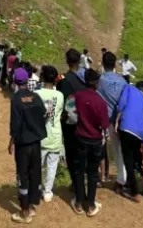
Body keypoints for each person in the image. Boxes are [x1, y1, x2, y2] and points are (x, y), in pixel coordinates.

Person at [8, 66, 47, 223]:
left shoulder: (16, 99)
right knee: (34, 173)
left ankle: (24, 212)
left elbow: (15, 124)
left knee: (22, 175)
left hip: (23, 144)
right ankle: (31, 206)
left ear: (16, 81)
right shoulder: (36, 97)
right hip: (36, 142)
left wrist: (11, 141)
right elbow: (44, 114)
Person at [72, 68, 110, 216]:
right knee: (93, 173)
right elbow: (105, 125)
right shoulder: (100, 102)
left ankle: (79, 202)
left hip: (80, 137)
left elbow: (70, 115)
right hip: (95, 140)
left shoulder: (77, 96)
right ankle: (91, 205)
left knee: (80, 170)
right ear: (96, 83)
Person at [116, 81, 143, 202]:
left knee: (128, 160)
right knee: (138, 159)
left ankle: (134, 191)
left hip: (127, 127)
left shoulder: (128, 88)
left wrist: (117, 121)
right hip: (140, 133)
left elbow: (121, 105)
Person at [58, 48, 87, 195]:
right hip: (84, 123)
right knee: (81, 156)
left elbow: (59, 100)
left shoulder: (63, 79)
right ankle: (80, 183)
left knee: (71, 155)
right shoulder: (84, 80)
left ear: (67, 61)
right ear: (79, 61)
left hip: (68, 124)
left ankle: (76, 185)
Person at [98, 50, 128, 192]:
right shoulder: (122, 81)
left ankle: (119, 179)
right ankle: (124, 178)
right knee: (123, 149)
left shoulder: (100, 81)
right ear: (115, 64)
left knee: (113, 149)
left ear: (103, 64)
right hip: (122, 118)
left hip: (107, 119)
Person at [36, 65, 64, 203]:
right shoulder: (59, 95)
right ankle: (47, 192)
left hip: (40, 136)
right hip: (55, 135)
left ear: (42, 77)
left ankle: (37, 188)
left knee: (37, 165)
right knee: (52, 166)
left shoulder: (36, 94)